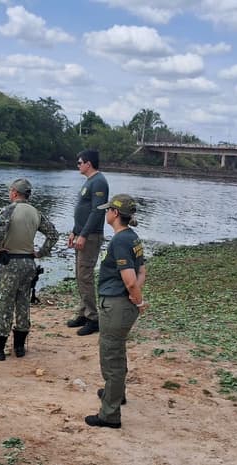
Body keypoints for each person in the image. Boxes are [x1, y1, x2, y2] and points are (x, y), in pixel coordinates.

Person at [0, 178, 59, 361]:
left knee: (5, 303)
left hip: (11, 262)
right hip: (29, 263)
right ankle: (20, 346)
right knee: (23, 302)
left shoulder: (9, 210)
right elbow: (53, 234)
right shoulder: (36, 212)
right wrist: (40, 253)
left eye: (10, 191)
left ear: (14, 192)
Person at [85, 194, 148, 429]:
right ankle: (116, 393)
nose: (105, 214)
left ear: (114, 213)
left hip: (116, 305)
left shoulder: (120, 241)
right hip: (123, 303)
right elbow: (142, 272)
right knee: (117, 352)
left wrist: (137, 300)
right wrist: (135, 297)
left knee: (110, 357)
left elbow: (131, 279)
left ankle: (109, 415)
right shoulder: (133, 238)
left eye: (107, 210)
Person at [67, 149, 109, 336]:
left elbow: (97, 212)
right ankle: (83, 313)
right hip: (82, 233)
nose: (78, 165)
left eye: (79, 162)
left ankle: (93, 319)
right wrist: (74, 232)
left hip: (91, 236)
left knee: (85, 276)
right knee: (79, 275)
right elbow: (83, 210)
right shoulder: (89, 181)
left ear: (88, 163)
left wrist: (83, 235)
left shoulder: (99, 182)